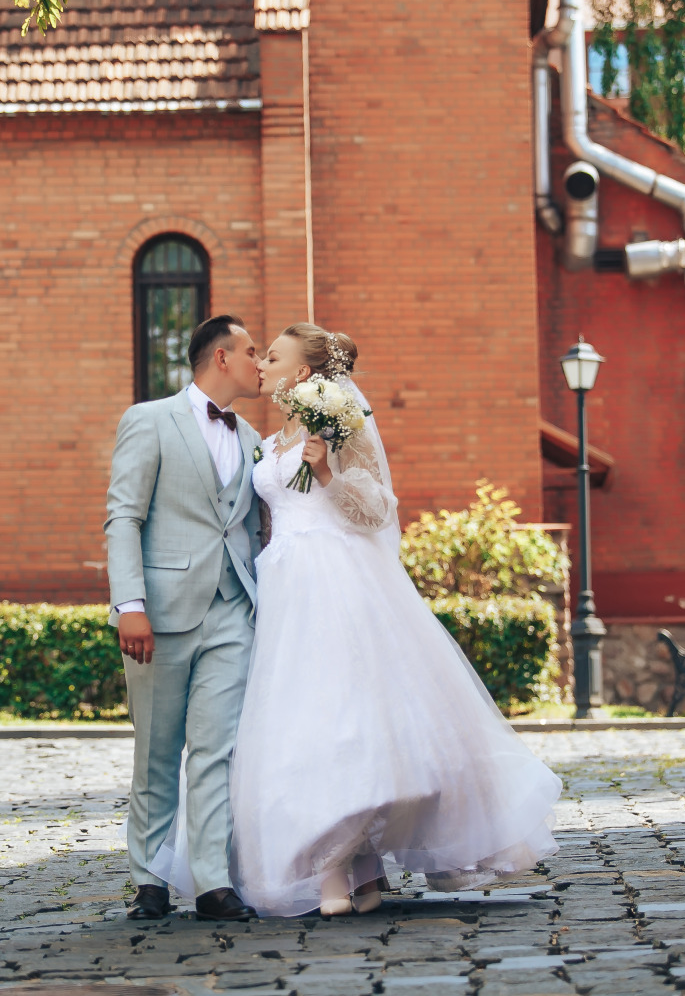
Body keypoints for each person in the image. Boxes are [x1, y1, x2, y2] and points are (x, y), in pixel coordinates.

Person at [158, 322, 562, 919]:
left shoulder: (336, 425)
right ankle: (362, 873)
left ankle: (337, 869)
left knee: (345, 716)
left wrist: (325, 471)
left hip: (336, 578)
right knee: (301, 719)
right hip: (283, 584)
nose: (262, 364)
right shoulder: (266, 444)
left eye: (272, 357)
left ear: (301, 374)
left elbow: (377, 511)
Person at [105, 314, 263, 923]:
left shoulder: (252, 438)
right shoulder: (149, 420)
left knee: (216, 751)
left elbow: (248, 528)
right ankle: (148, 879)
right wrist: (131, 607)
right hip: (161, 614)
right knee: (156, 750)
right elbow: (124, 517)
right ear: (221, 357)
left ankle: (213, 883)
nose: (258, 361)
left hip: (232, 611)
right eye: (251, 351)